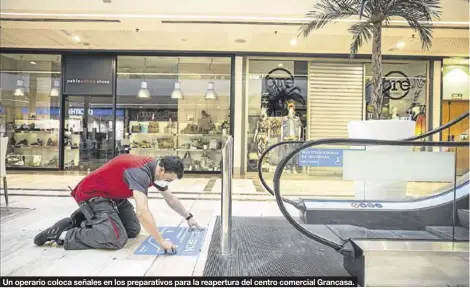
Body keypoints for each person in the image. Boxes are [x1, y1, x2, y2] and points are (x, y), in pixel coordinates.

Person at [33, 155, 203, 253]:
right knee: (116, 239)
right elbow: (142, 212)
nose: (167, 183)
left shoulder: (154, 167)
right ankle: (65, 234)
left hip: (113, 196)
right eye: (168, 179)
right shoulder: (140, 173)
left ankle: (82, 220)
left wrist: (189, 217)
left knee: (132, 230)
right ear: (162, 170)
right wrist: (161, 241)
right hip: (93, 195)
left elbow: (170, 198)